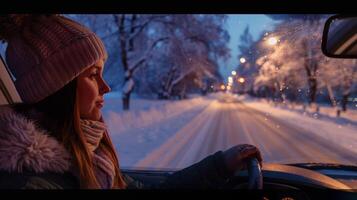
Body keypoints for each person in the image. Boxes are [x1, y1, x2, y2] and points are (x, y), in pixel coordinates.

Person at [0, 14, 262, 189]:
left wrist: (219, 165)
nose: (106, 87)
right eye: (93, 76)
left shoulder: (92, 158)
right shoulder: (34, 183)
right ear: (57, 88)